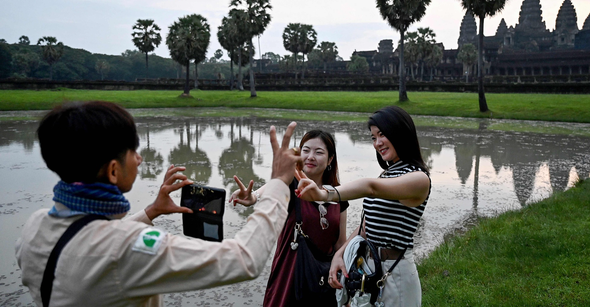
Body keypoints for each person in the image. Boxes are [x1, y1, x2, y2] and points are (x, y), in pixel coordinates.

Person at [15, 101, 303, 307]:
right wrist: (278, 182)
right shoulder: (128, 246)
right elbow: (244, 260)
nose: (140, 159)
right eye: (133, 151)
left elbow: (85, 245)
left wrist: (151, 211)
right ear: (113, 171)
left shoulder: (34, 226)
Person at [296, 106, 431, 307]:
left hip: (395, 273)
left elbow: (370, 188)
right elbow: (366, 226)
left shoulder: (419, 179)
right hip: (370, 266)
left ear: (400, 133)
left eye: (382, 135)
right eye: (373, 137)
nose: (377, 143)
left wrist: (325, 194)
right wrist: (340, 255)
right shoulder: (388, 174)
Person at [229, 130, 349, 306]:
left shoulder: (338, 195)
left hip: (323, 284)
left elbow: (340, 245)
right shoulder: (291, 185)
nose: (310, 157)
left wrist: (344, 290)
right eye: (305, 150)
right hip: (289, 279)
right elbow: (271, 188)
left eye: (319, 152)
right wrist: (253, 197)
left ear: (330, 159)